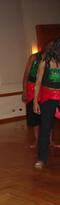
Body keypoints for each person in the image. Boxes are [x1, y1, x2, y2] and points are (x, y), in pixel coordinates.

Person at [22, 42, 59, 149]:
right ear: (44, 46)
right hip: (32, 88)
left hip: (45, 90)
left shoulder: (53, 60)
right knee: (35, 116)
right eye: (49, 45)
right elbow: (26, 75)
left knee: (48, 115)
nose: (50, 47)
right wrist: (24, 90)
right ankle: (37, 141)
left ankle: (51, 141)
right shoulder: (34, 57)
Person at [33, 38, 60, 169]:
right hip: (48, 97)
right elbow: (37, 83)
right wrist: (35, 102)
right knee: (45, 128)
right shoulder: (45, 62)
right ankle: (41, 159)